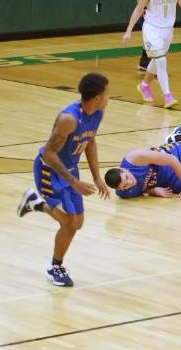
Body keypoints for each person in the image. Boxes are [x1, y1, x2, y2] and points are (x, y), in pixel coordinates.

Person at [16, 73, 111, 287]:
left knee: (77, 223)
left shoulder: (98, 113)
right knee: (68, 223)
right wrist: (73, 181)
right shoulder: (69, 119)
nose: (108, 97)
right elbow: (49, 153)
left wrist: (96, 176)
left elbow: (90, 141)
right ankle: (55, 267)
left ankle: (36, 204)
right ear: (97, 97)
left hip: (70, 171)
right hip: (49, 170)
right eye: (106, 93)